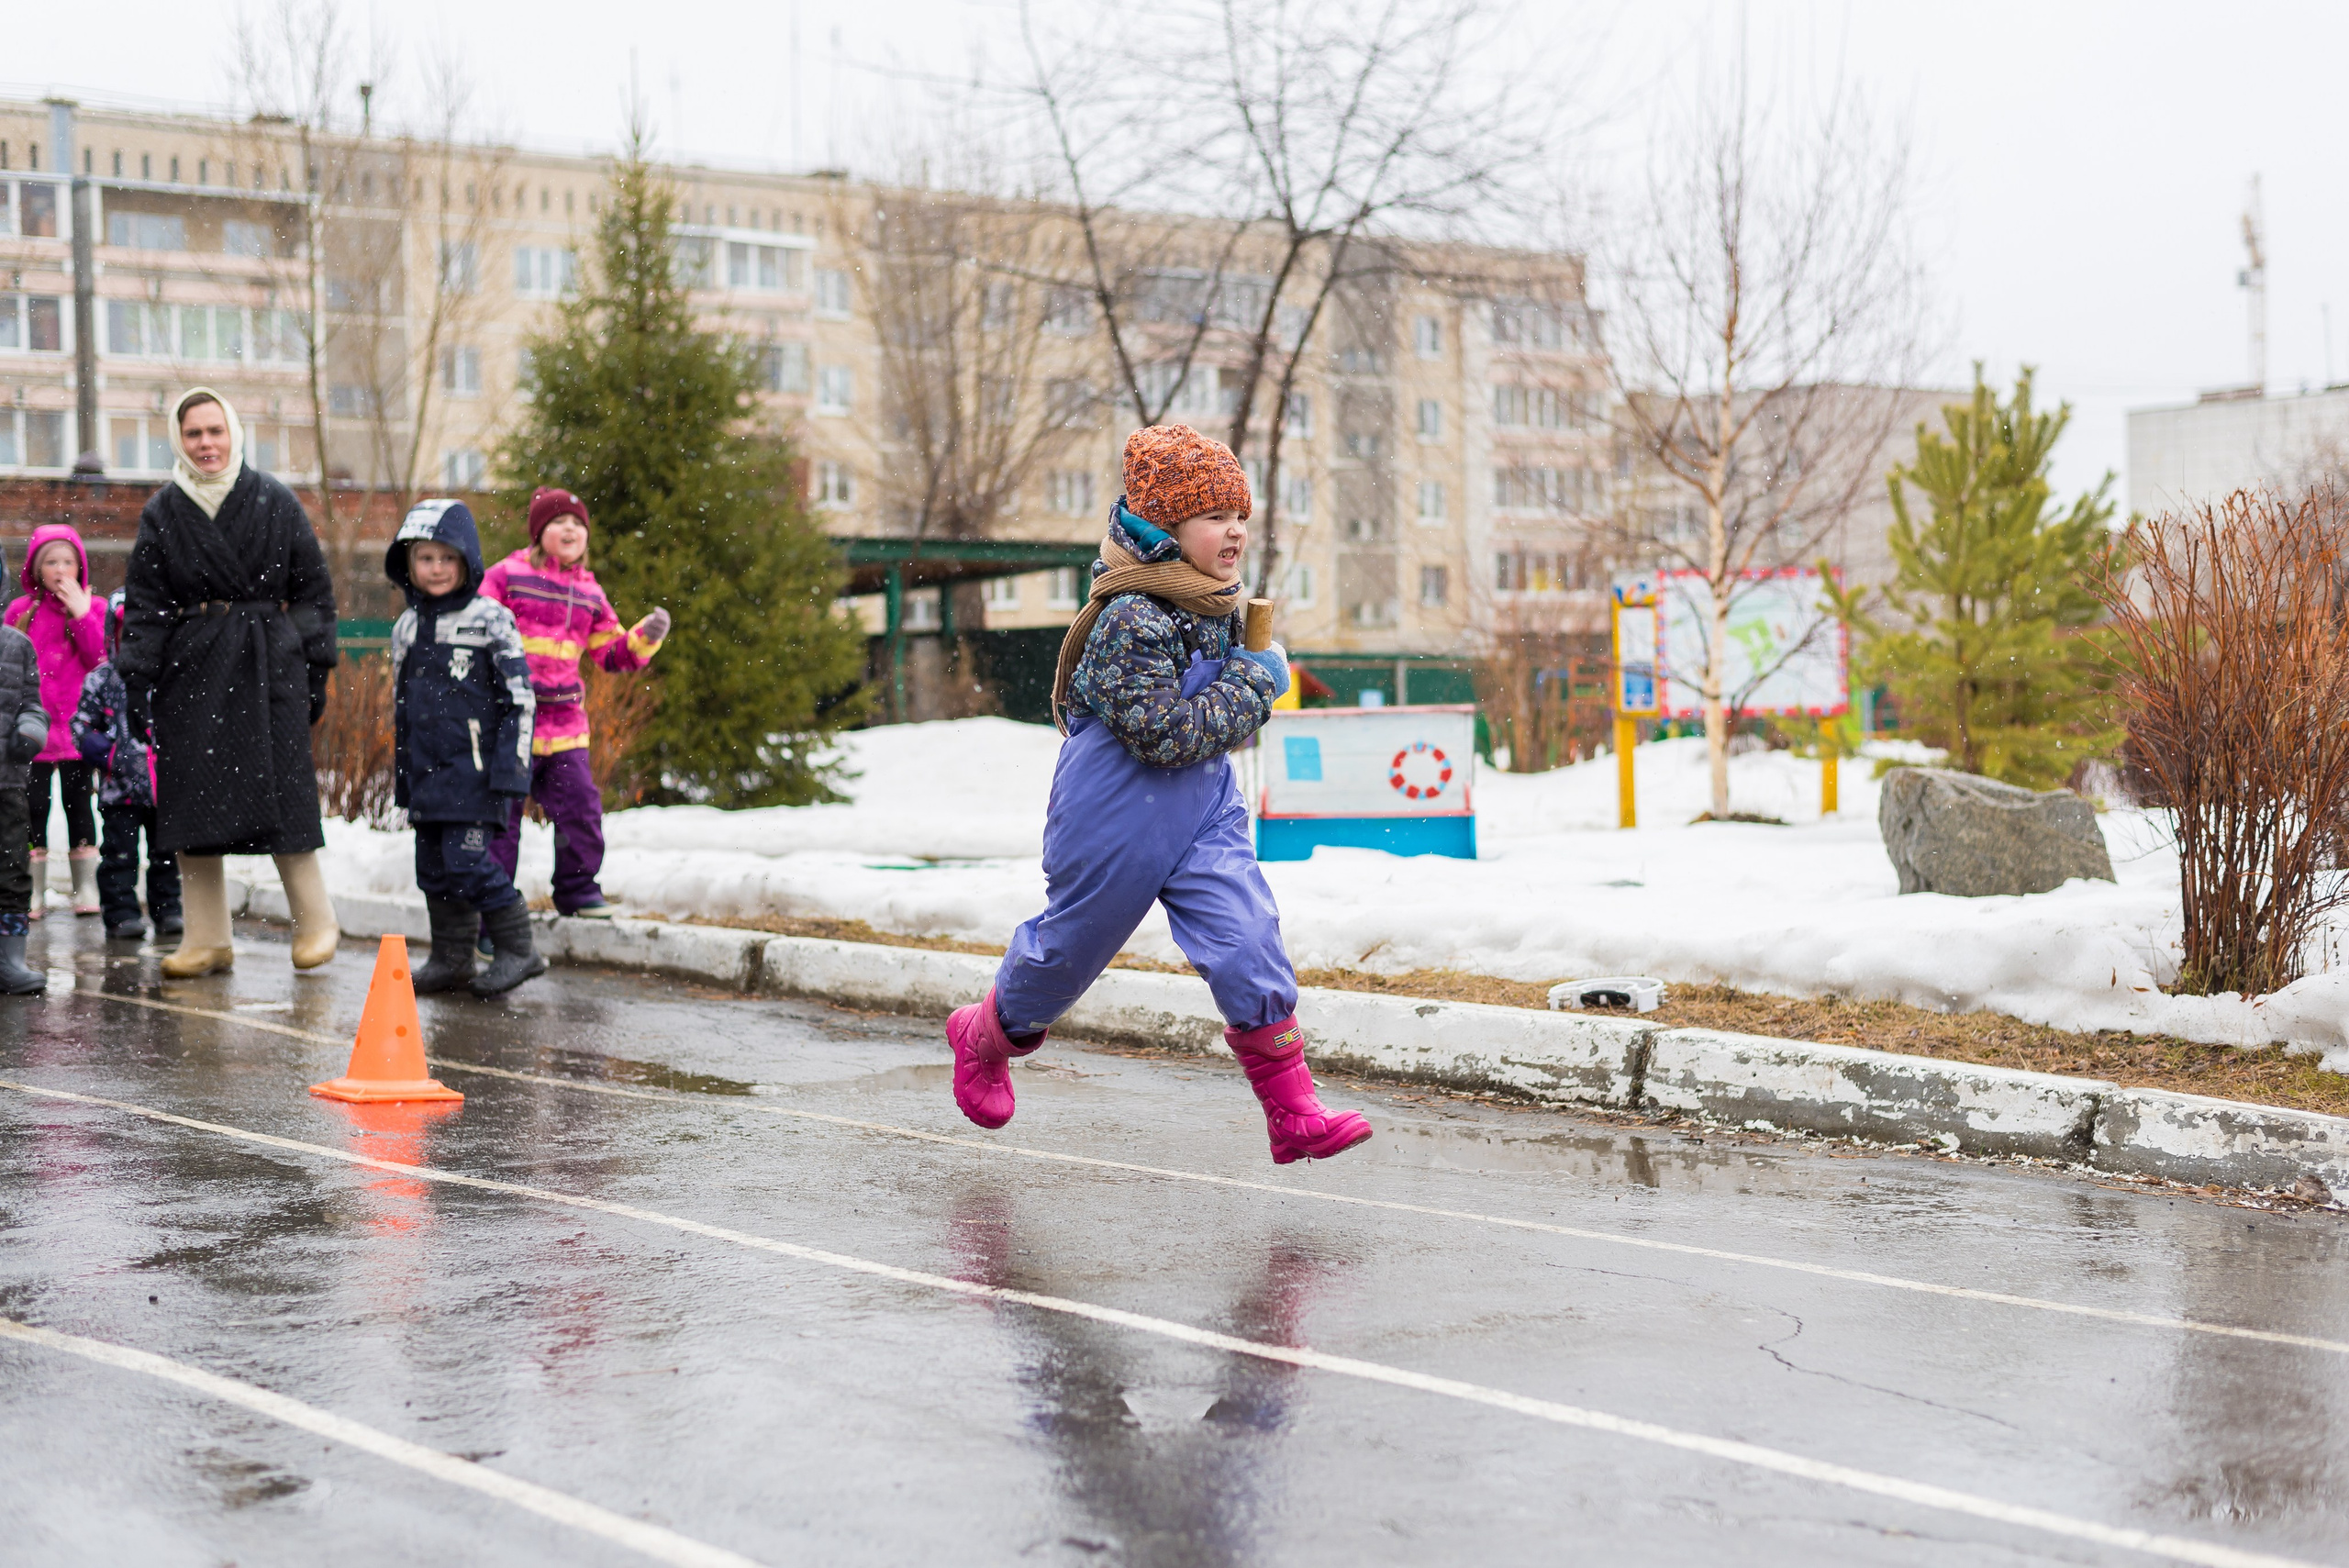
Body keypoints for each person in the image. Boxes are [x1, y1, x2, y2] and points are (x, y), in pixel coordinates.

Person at [945, 425, 1372, 1165]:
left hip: (1202, 808)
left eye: (1239, 512)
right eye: (1213, 515)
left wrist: (1246, 673)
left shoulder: (1217, 605)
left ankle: (1294, 1113)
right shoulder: (1131, 618)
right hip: (1116, 813)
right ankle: (984, 1035)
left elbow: (1205, 738)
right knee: (1065, 959)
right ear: (1165, 528)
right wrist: (1254, 680)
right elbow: (1166, 733)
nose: (1235, 529)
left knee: (1247, 941)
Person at [115, 386, 340, 978]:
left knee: (286, 795)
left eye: (215, 431)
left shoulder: (275, 499)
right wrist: (137, 677)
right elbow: (145, 603)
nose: (206, 443)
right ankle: (208, 938)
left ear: (233, 432)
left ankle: (317, 922)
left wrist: (309, 660)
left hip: (270, 668)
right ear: (179, 439)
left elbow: (314, 591)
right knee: (193, 803)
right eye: (194, 434)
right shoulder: (162, 511)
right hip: (190, 672)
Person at [479, 487, 668, 920]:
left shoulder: (588, 592)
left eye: (578, 524)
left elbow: (613, 655)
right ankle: (495, 904)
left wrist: (646, 637)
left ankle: (578, 889)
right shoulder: (507, 575)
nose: (570, 529)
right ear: (538, 532)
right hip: (512, 721)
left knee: (580, 809)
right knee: (502, 820)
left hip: (565, 726)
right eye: (559, 522)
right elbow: (477, 628)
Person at [387, 498, 545, 997]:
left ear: (467, 561)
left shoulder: (490, 619)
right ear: (409, 564)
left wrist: (511, 772)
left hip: (477, 775)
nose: (436, 569)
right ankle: (451, 958)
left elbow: (520, 699)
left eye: (447, 558)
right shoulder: (406, 628)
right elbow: (402, 708)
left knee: (469, 864)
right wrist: (404, 777)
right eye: (425, 558)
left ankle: (519, 949)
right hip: (427, 776)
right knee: (432, 870)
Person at [6, 523, 106, 919]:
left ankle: (86, 886)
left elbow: (99, 659)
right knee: (33, 810)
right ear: (36, 569)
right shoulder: (22, 611)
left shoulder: (94, 609)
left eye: (68, 561)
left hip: (79, 734)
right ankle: (33, 889)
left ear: (81, 567)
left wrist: (82, 613)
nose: (60, 569)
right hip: (35, 733)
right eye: (51, 562)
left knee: (80, 806)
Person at [72, 591, 182, 942]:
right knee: (119, 856)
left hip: (164, 787)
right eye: (126, 632)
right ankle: (120, 915)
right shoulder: (102, 679)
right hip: (119, 789)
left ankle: (169, 911)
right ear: (113, 634)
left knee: (166, 856)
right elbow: (80, 726)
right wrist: (107, 755)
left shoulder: (169, 679)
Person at [0, 543, 51, 995]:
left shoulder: (17, 645)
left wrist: (32, 730)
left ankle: (9, 957)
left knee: (12, 868)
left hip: (6, 782)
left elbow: (33, 702)